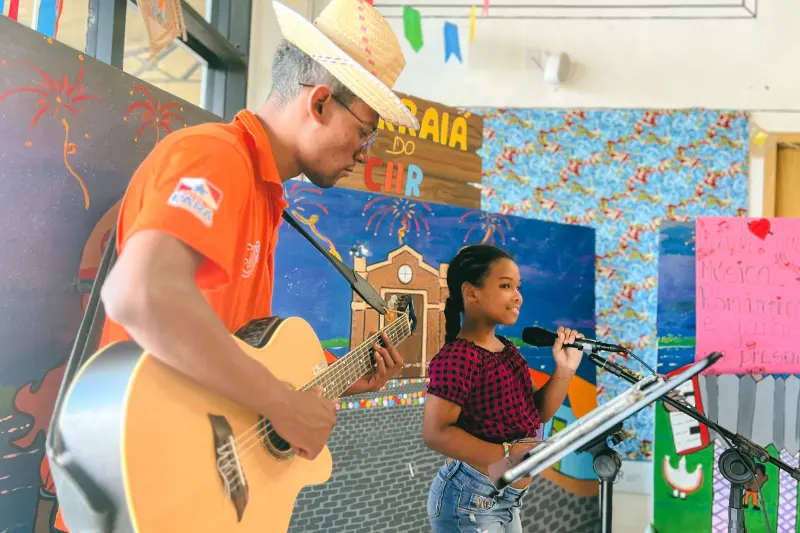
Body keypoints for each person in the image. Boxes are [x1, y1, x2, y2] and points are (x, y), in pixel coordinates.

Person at [54, 0, 420, 529]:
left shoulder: (264, 194)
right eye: (366, 132)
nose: (365, 153)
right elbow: (140, 295)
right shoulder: (216, 157)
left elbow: (232, 344)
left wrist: (327, 379)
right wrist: (283, 404)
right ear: (319, 103)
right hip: (146, 478)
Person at [422, 244, 585, 533]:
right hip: (469, 501)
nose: (517, 296)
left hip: (504, 497)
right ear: (471, 292)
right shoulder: (459, 357)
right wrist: (508, 455)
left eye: (518, 287)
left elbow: (540, 412)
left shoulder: (507, 351)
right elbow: (436, 433)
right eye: (506, 285)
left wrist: (565, 369)